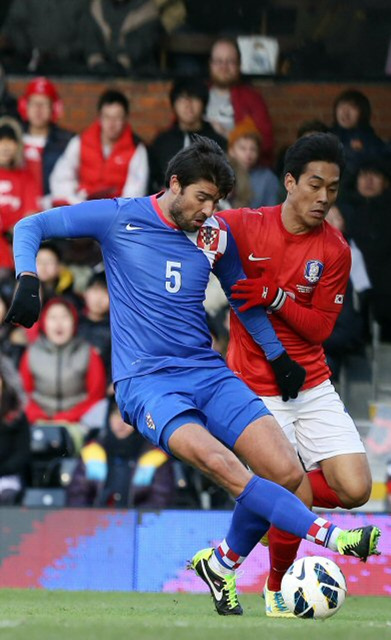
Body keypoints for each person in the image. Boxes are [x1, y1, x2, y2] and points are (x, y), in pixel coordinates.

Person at [5, 136, 380, 615]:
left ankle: (220, 565)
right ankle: (329, 536)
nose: (209, 211)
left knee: (285, 471)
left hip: (207, 372)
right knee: (222, 464)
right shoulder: (119, 216)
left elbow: (243, 297)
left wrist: (277, 356)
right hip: (148, 384)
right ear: (174, 184)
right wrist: (28, 277)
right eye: (202, 198)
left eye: (216, 202)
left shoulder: (213, 235)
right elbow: (30, 224)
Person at [215, 132, 374, 616]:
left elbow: (322, 327)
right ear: (289, 182)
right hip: (256, 390)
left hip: (312, 384)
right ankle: (275, 589)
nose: (324, 197)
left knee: (355, 488)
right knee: (292, 489)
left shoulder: (335, 248)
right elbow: (196, 231)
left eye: (333, 188)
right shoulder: (244, 225)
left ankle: (225, 556)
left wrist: (275, 296)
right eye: (314, 185)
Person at [50, 89, 148, 205]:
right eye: (107, 117)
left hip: (116, 215)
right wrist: (76, 202)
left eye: (117, 118)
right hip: (81, 208)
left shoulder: (136, 148)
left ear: (125, 119)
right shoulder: (80, 141)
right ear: (100, 118)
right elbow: (60, 178)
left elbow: (135, 195)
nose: (111, 124)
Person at [19, 297, 106, 424]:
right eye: (53, 318)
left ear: (74, 322)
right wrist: (38, 417)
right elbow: (23, 394)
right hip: (37, 422)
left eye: (64, 317)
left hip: (81, 423)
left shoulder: (88, 352)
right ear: (44, 323)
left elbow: (96, 396)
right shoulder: (31, 353)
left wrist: (69, 417)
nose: (59, 323)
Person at [148, 77, 226, 192]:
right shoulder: (162, 142)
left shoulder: (217, 142)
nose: (188, 104)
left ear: (204, 103)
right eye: (182, 99)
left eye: (194, 98)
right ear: (173, 104)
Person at [206, 37, 274, 165]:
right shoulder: (198, 94)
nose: (224, 67)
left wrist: (228, 134)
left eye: (230, 61)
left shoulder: (252, 98)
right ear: (210, 64)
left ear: (239, 65)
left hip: (239, 170)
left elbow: (267, 142)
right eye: (218, 61)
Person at [18, 77, 74, 207]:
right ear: (25, 106)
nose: (38, 109)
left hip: (50, 209)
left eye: (44, 104)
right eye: (33, 103)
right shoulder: (13, 137)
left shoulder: (67, 142)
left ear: (54, 108)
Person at [0, 116, 41, 274]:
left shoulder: (26, 177)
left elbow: (31, 214)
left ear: (17, 146)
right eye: (1, 141)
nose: (5, 146)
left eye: (10, 141)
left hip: (16, 243)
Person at [227, 116, 280, 208]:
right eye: (242, 148)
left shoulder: (267, 178)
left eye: (253, 149)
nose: (248, 154)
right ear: (231, 151)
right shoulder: (223, 173)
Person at [0, 354, 30, 505]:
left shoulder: (16, 415)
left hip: (8, 479)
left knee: (7, 496)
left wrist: (3, 469)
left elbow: (22, 453)